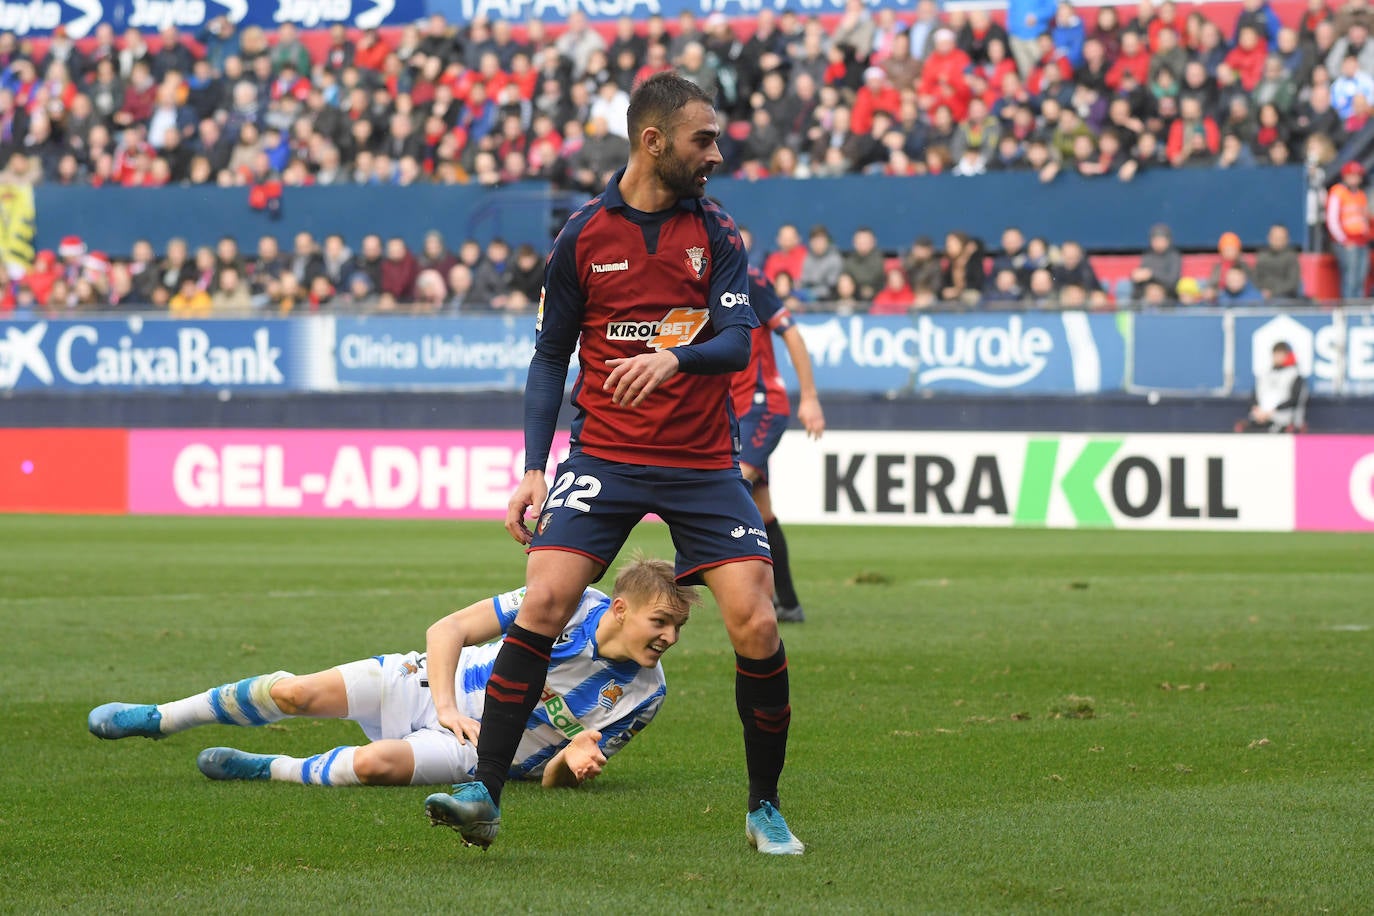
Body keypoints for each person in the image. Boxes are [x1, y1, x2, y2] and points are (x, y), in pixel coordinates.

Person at [423, 72, 803, 857]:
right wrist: (536, 464)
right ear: (652, 141)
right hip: (605, 453)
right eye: (704, 140)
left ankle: (763, 805)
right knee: (546, 598)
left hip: (701, 460)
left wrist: (673, 358)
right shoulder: (584, 237)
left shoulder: (720, 235)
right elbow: (548, 356)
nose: (718, 154)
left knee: (757, 620)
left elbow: (736, 342)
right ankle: (484, 793)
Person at [89, 557, 695, 790]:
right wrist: (452, 704)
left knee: (376, 765)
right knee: (293, 691)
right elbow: (446, 631)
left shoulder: (645, 695)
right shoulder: (563, 599)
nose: (668, 638)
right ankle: (160, 718)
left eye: (677, 630)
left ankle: (267, 769)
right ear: (620, 608)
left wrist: (573, 763)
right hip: (429, 685)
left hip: (476, 754)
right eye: (661, 622)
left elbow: (556, 780)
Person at [732, 264, 825, 623]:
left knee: (728, 488)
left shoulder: (749, 278)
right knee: (762, 510)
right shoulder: (691, 281)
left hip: (762, 405)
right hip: (734, 414)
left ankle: (698, 583)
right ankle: (788, 603)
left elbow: (792, 334)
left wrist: (810, 397)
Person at [1235, 341, 1306, 432]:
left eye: (1281, 354)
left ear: (1287, 355)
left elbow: (1294, 400)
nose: (1278, 357)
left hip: (1283, 420)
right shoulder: (1264, 375)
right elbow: (1254, 396)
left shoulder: (1294, 375)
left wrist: (1272, 412)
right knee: (1244, 428)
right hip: (1260, 418)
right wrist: (1258, 410)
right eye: (1276, 354)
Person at [1326, 161, 1371, 302]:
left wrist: (1367, 235)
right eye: (1351, 175)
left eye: (1357, 176)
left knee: (1361, 276)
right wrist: (1343, 239)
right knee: (1350, 277)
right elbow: (1332, 219)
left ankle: (1358, 308)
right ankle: (1349, 308)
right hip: (1347, 240)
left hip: (1361, 240)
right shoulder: (1338, 192)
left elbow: (1363, 218)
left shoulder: (1360, 194)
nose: (1355, 179)